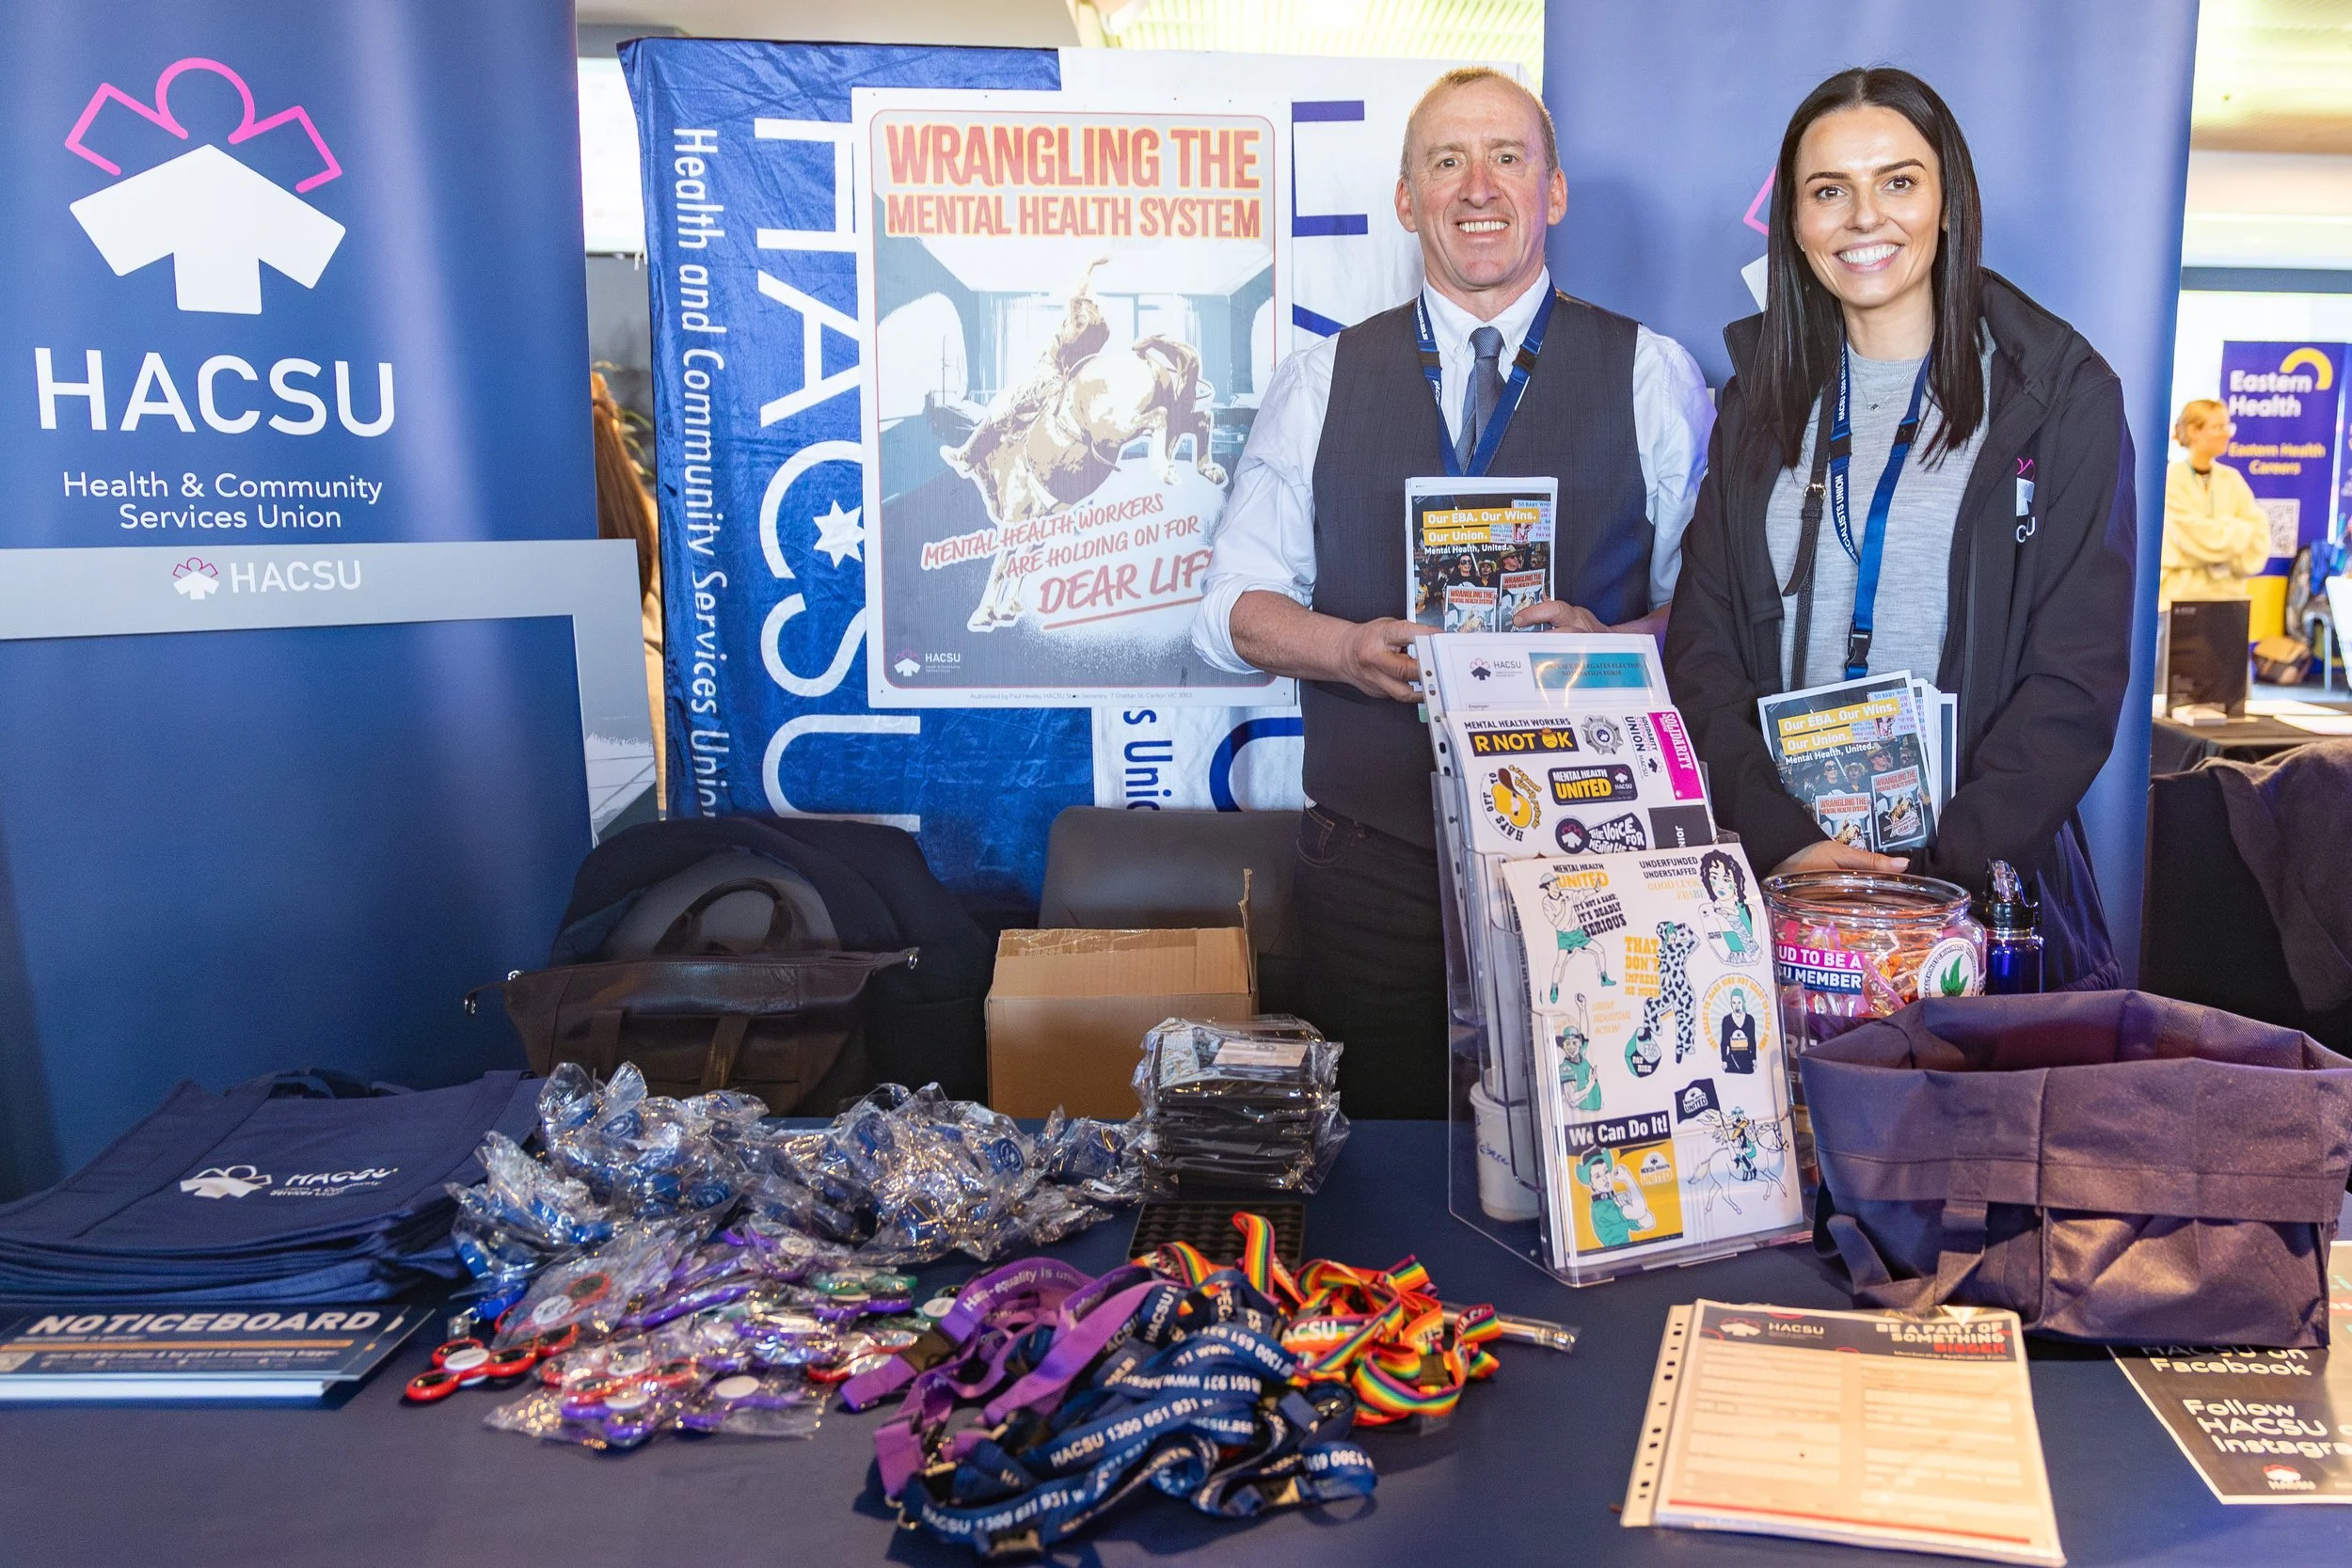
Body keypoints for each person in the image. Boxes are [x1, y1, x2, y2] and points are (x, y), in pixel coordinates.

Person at [1192, 66, 1715, 1117]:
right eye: (1447, 162)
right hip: (1370, 864)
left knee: (1584, 1146)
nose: (1479, 187)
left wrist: (1610, 645)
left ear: (1552, 192)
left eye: (1507, 158)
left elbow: (1706, 619)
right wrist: (1345, 651)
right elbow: (1230, 608)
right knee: (1379, 1157)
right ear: (1406, 198)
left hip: (1589, 861)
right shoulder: (1321, 379)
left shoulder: (1652, 373)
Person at [1664, 67, 2134, 990]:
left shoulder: (2059, 398)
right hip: (1782, 903)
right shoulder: (1756, 404)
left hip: (1975, 911)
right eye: (1828, 191)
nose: (1864, 217)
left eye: (1898, 181)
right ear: (1795, 223)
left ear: (1948, 202)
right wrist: (1787, 844)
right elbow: (1702, 655)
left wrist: (1926, 882)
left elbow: (2075, 682)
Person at [2160, 398, 2271, 610]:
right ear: (2194, 430)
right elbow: (2189, 536)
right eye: (2218, 427)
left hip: (2229, 603)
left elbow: (2259, 541)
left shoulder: (2232, 479)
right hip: (2179, 601)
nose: (2227, 434)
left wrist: (2200, 552)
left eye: (2228, 426)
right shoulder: (2171, 479)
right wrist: (2237, 533)